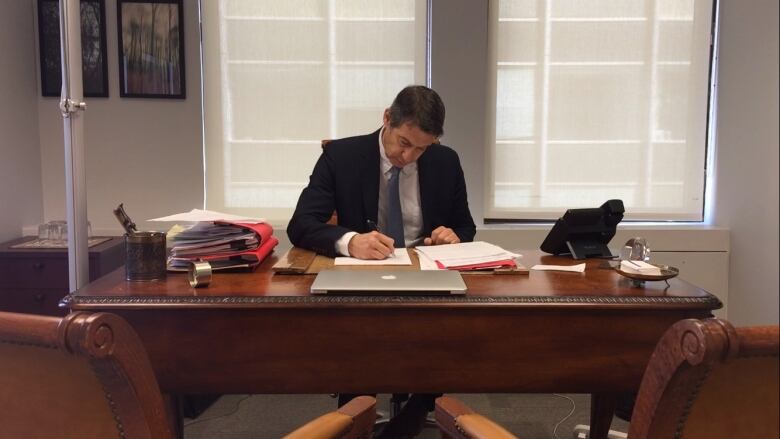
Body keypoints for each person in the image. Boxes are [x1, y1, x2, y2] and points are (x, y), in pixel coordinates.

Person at [287, 85, 476, 437]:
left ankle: (418, 408)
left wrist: (452, 237)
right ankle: (358, 411)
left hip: (425, 276)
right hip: (362, 277)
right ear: (387, 118)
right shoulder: (341, 156)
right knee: (362, 339)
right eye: (404, 143)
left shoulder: (445, 160)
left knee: (447, 334)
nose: (409, 156)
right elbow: (301, 225)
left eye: (422, 147)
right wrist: (349, 241)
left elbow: (465, 226)